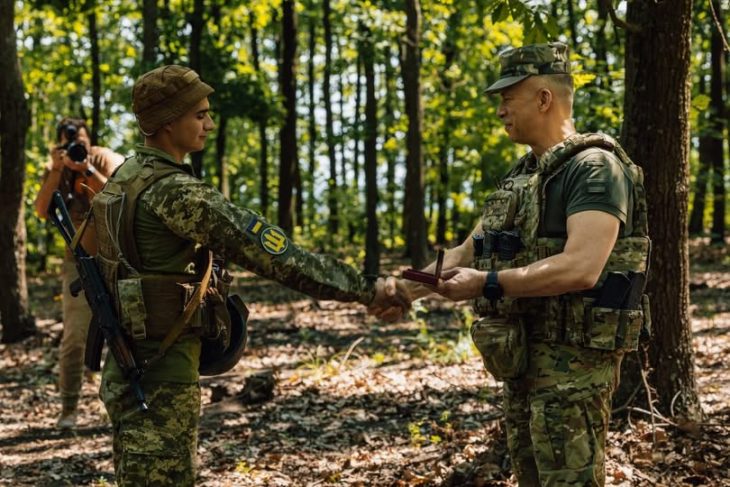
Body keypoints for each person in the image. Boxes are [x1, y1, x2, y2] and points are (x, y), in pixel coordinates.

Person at [88, 65, 410, 486]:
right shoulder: (175, 192)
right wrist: (368, 289)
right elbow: (277, 256)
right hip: (161, 373)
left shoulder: (126, 176)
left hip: (128, 365)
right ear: (168, 122)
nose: (209, 124)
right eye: (199, 115)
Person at [385, 43, 651, 486]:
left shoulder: (594, 169)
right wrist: (403, 291)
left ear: (544, 99)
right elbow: (467, 252)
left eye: (508, 98)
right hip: (522, 361)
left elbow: (581, 267)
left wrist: (485, 284)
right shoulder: (523, 176)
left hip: (573, 369)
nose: (500, 111)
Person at [34, 117, 124, 429]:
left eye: (81, 140)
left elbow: (118, 196)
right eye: (70, 142)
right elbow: (42, 210)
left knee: (124, 332)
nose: (76, 146)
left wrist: (85, 168)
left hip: (117, 260)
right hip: (78, 263)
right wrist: (57, 169)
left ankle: (120, 405)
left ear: (89, 139)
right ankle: (68, 409)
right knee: (73, 339)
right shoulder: (57, 169)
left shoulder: (103, 158)